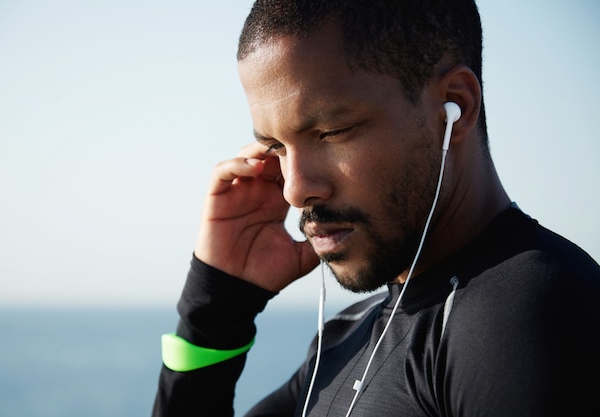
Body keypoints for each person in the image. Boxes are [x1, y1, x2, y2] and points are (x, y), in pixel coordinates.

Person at [152, 0, 600, 416]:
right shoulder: (347, 336)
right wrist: (216, 307)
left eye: (332, 131)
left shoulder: (525, 314)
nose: (294, 191)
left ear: (456, 108)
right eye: (275, 146)